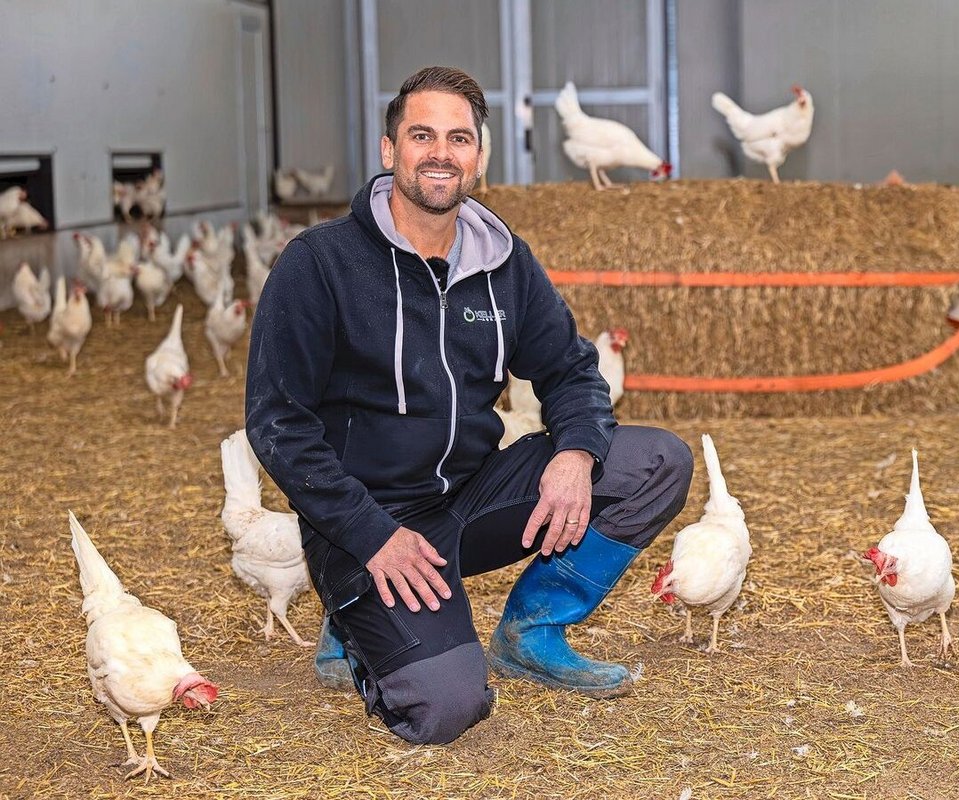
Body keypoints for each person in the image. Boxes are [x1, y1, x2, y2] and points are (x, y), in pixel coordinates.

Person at [244, 65, 692, 745]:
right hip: (368, 526)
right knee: (446, 709)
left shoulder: (503, 260)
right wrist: (371, 537)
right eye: (422, 135)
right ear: (390, 150)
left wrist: (574, 453)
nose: (441, 152)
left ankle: (532, 630)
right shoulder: (319, 264)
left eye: (458, 138)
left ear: (478, 157)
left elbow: (573, 369)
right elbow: (279, 426)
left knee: (657, 462)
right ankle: (356, 620)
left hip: (470, 496)